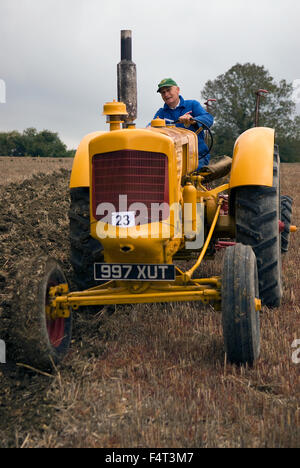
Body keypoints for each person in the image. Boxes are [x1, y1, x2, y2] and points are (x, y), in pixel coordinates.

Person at [153, 78, 214, 169]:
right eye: (163, 92)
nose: (166, 94)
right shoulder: (161, 113)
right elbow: (151, 130)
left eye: (168, 90)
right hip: (172, 158)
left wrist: (193, 120)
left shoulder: (192, 105)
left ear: (177, 90)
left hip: (197, 156)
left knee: (189, 177)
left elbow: (209, 119)